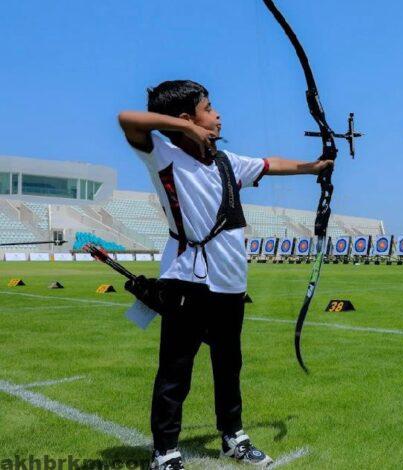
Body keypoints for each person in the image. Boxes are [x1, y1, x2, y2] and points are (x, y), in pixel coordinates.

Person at [118, 80, 332, 470]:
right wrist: (185, 128)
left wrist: (314, 167)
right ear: (187, 118)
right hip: (186, 279)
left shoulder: (226, 162)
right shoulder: (163, 156)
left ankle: (233, 437)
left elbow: (269, 164)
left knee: (229, 365)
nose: (217, 116)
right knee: (176, 370)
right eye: (208, 109)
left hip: (231, 282)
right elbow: (127, 119)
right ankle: (165, 452)